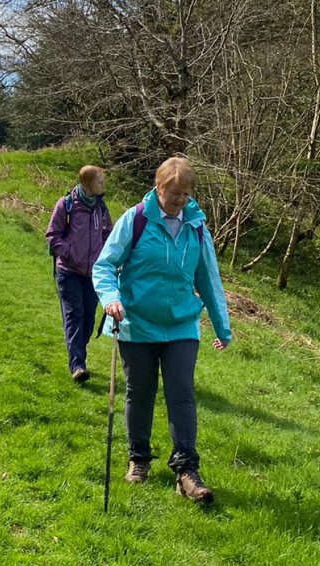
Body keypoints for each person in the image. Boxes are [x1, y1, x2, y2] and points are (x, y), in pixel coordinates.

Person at [92, 156, 231, 503]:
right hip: (136, 323)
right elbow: (105, 266)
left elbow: (208, 281)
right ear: (158, 188)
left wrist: (222, 328)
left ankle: (186, 471)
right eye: (174, 193)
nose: (180, 200)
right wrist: (111, 299)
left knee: (181, 394)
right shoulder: (136, 220)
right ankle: (138, 459)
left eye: (186, 194)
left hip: (182, 325)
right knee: (139, 392)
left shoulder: (196, 227)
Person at [46, 166, 113, 383]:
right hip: (68, 272)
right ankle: (77, 365)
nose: (103, 185)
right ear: (87, 183)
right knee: (75, 315)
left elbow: (108, 234)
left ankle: (77, 354)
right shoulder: (66, 205)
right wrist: (69, 253)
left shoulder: (101, 208)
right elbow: (53, 235)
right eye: (100, 181)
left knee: (88, 320)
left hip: (93, 274)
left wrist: (104, 257)